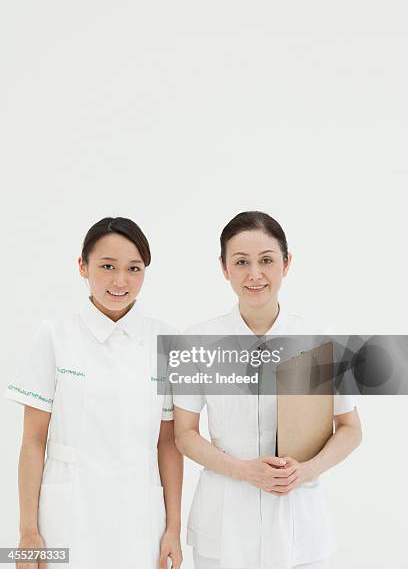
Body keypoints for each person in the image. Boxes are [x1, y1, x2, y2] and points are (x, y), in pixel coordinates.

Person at [173, 211, 362, 569]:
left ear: (286, 263)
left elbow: (351, 429)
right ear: (224, 268)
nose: (254, 274)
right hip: (224, 521)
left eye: (266, 260)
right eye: (241, 262)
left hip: (300, 522)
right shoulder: (196, 339)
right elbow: (184, 435)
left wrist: (305, 471)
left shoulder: (319, 340)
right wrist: (244, 470)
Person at [4, 217, 183, 569]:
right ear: (82, 266)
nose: (121, 281)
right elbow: (33, 440)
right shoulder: (55, 336)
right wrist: (28, 531)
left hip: (140, 516)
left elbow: (169, 444)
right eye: (107, 266)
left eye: (134, 268)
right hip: (67, 513)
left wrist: (173, 529)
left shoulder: (167, 341)